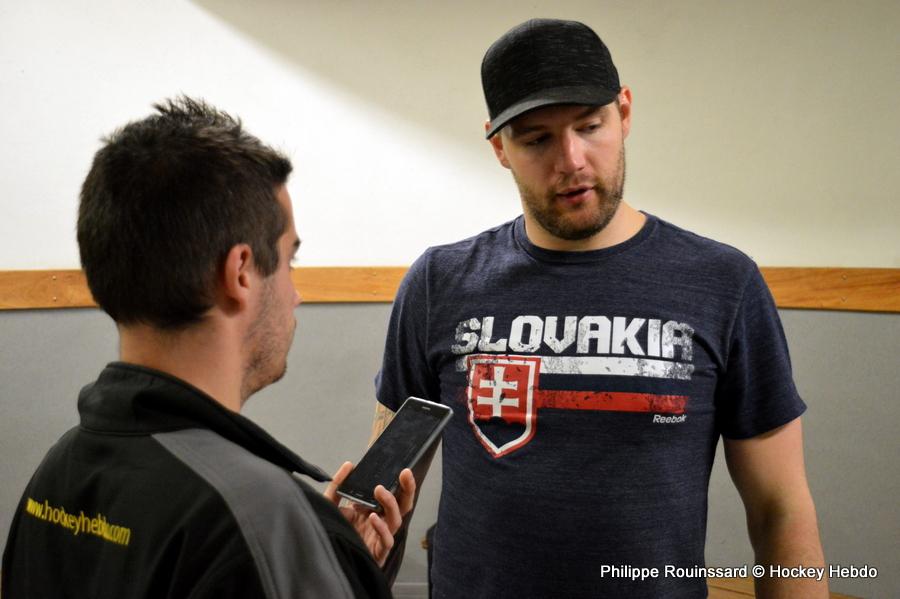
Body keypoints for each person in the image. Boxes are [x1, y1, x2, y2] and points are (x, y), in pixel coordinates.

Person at [372, 19, 827, 598]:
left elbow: (780, 509)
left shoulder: (723, 283)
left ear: (624, 112)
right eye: (536, 139)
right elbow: (383, 496)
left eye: (590, 126)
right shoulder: (439, 282)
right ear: (499, 147)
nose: (572, 160)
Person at [2, 96, 414, 598]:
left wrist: (326, 560)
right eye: (289, 262)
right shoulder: (261, 520)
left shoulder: (57, 473)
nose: (295, 294)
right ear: (240, 272)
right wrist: (307, 549)